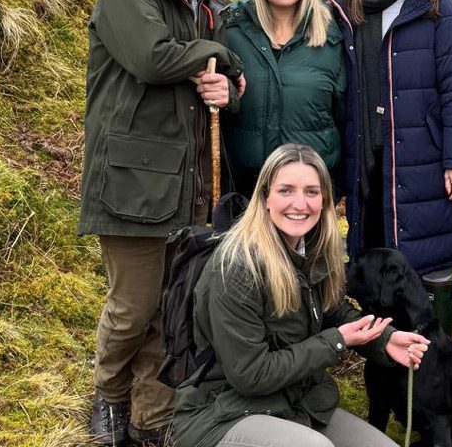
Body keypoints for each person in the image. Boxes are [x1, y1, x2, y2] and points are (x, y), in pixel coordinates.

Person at [76, 0, 243, 446]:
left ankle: (152, 416)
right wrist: (218, 55)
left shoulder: (209, 5)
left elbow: (222, 83)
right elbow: (152, 58)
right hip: (132, 181)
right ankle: (109, 395)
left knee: (172, 308)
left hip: (189, 184)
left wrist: (228, 88)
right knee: (133, 308)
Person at [171, 143, 430, 447]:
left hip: (296, 403)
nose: (300, 203)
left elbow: (333, 311)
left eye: (311, 192)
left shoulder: (313, 248)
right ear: (265, 197)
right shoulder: (236, 268)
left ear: (324, 200)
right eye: (286, 190)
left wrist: (384, 339)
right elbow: (250, 374)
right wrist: (336, 341)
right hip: (223, 412)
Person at [324, 0, 452, 333]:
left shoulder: (435, 6)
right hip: (364, 155)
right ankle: (386, 347)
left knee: (433, 253)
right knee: (374, 251)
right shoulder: (338, 6)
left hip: (422, 152)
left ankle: (434, 347)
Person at [221, 0, 344, 195]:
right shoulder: (231, 31)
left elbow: (345, 112)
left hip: (310, 190)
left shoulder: (333, 35)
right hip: (246, 187)